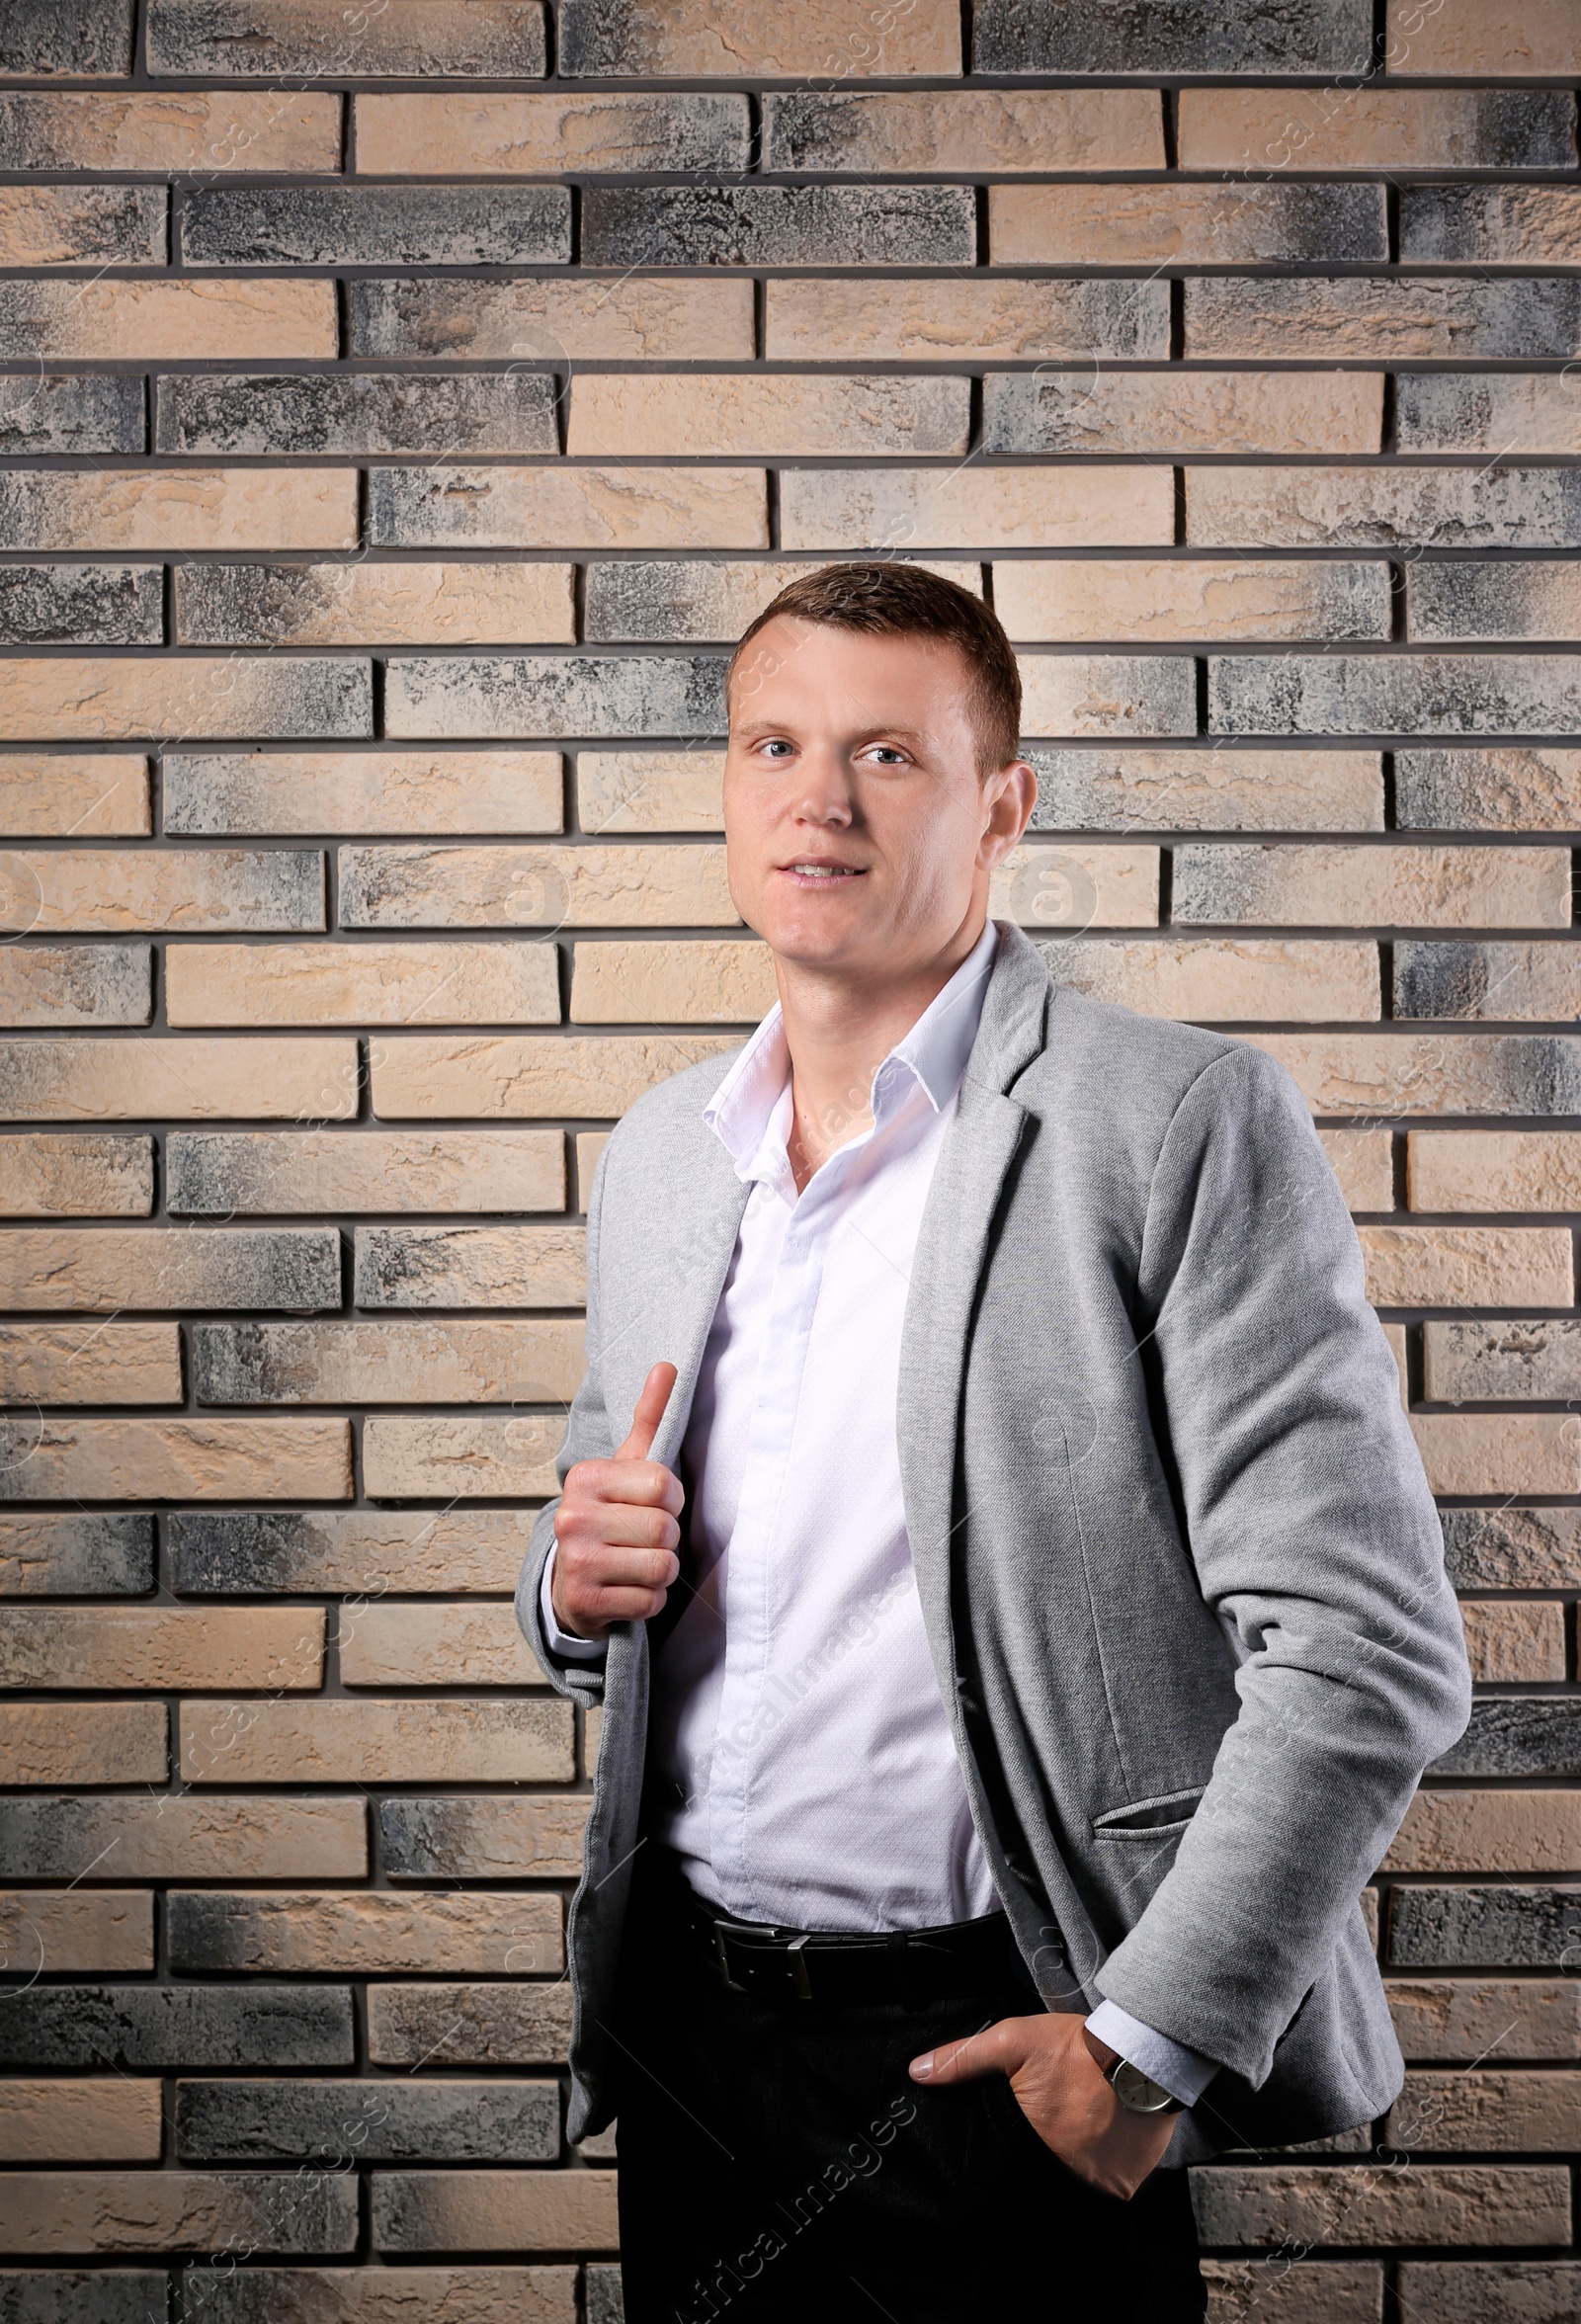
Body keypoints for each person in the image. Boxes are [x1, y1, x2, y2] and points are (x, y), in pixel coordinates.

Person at [518, 563, 1471, 2323]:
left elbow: (1369, 1643)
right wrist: (573, 1589)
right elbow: (610, 1555)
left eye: (888, 752)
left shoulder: (1171, 1121)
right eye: (775, 745)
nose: (819, 798)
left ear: (1002, 802)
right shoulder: (665, 1149)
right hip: (693, 2051)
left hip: (1005, 2049)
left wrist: (1147, 2043)